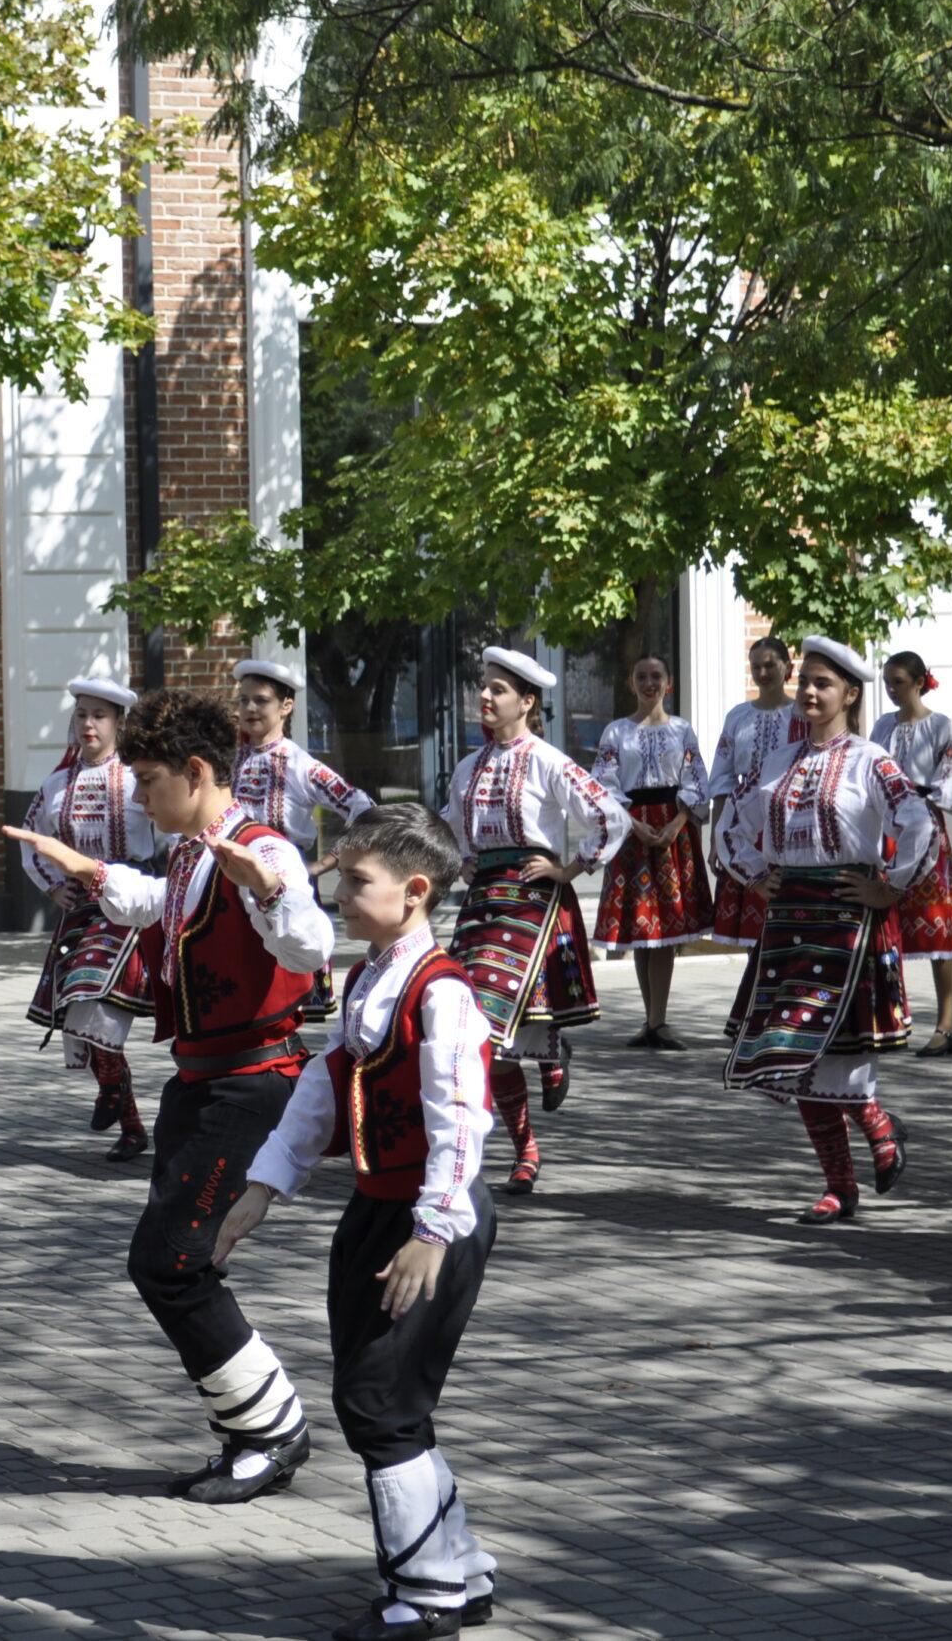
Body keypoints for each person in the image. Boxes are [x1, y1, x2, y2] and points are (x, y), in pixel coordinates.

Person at [6, 689, 334, 1504]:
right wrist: (92, 870)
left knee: (171, 1263)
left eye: (148, 780)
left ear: (196, 773)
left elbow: (311, 940)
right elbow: (158, 903)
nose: (138, 798)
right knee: (170, 1263)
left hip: (252, 1084)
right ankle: (256, 1427)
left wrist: (266, 890)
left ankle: (270, 1429)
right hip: (199, 1080)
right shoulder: (193, 849)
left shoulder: (262, 850)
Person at [217, 805, 498, 1640]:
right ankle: (455, 1568)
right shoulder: (374, 972)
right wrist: (264, 1185)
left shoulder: (440, 992)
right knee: (386, 1399)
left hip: (428, 1216)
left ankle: (430, 1593)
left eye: (357, 881)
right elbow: (320, 1089)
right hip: (378, 1208)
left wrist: (432, 1231)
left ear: (414, 892)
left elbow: (461, 1118)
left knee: (377, 1400)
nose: (340, 893)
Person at [720, 638, 932, 1224]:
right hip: (788, 918)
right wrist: (755, 874)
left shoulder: (871, 759)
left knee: (833, 1051)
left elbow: (916, 821)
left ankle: (872, 1138)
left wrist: (890, 886)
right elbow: (732, 824)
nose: (810, 693)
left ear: (850, 694)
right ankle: (845, 1177)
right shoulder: (777, 762)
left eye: (823, 684)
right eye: (805, 682)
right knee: (790, 1054)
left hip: (844, 916)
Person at [441, 647, 626, 1196]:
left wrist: (570, 867)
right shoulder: (467, 767)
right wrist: (463, 859)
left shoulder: (547, 759)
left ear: (527, 702)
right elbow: (452, 823)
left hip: (530, 898)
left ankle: (548, 1060)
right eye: (484, 687)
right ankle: (525, 1148)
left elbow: (608, 814)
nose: (485, 697)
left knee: (498, 1029)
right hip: (481, 902)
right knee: (476, 1028)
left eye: (498, 690)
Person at [17, 675, 159, 1162]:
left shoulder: (140, 778)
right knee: (79, 1013)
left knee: (90, 999)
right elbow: (32, 839)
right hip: (81, 911)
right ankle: (129, 1117)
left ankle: (117, 1098)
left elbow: (171, 835)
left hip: (130, 907)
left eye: (99, 715)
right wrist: (53, 884)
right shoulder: (57, 783)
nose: (88, 724)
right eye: (81, 715)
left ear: (119, 722)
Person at [232, 657, 373, 1022]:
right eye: (243, 700)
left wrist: (328, 862)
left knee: (284, 1001)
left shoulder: (300, 765)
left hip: (283, 886)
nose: (249, 708)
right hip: (230, 888)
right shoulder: (228, 762)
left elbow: (362, 807)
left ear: (286, 706)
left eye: (260, 700)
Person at [588, 656, 713, 1048]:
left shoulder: (681, 730)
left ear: (669, 683)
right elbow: (602, 784)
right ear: (631, 682)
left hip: (673, 828)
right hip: (633, 829)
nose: (649, 683)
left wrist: (676, 825)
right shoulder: (616, 732)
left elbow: (696, 780)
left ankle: (658, 1019)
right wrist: (634, 825)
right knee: (642, 927)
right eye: (641, 676)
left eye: (656, 676)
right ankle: (651, 1020)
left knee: (666, 928)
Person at [875, 651, 952, 1056]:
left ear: (918, 682)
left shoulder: (939, 726)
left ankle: (947, 1024)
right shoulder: (882, 726)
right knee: (885, 923)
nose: (891, 690)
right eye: (887, 682)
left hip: (927, 830)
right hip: (887, 830)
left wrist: (922, 793)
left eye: (897, 681)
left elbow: (951, 778)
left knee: (937, 924)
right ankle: (889, 1018)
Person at [708, 638, 801, 1038]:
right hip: (744, 826)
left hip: (787, 820)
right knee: (753, 926)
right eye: (756, 666)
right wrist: (716, 835)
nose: (762, 673)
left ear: (786, 667)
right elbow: (724, 776)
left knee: (782, 919)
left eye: (769, 665)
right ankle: (757, 1006)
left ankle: (781, 1008)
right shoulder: (738, 717)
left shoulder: (800, 714)